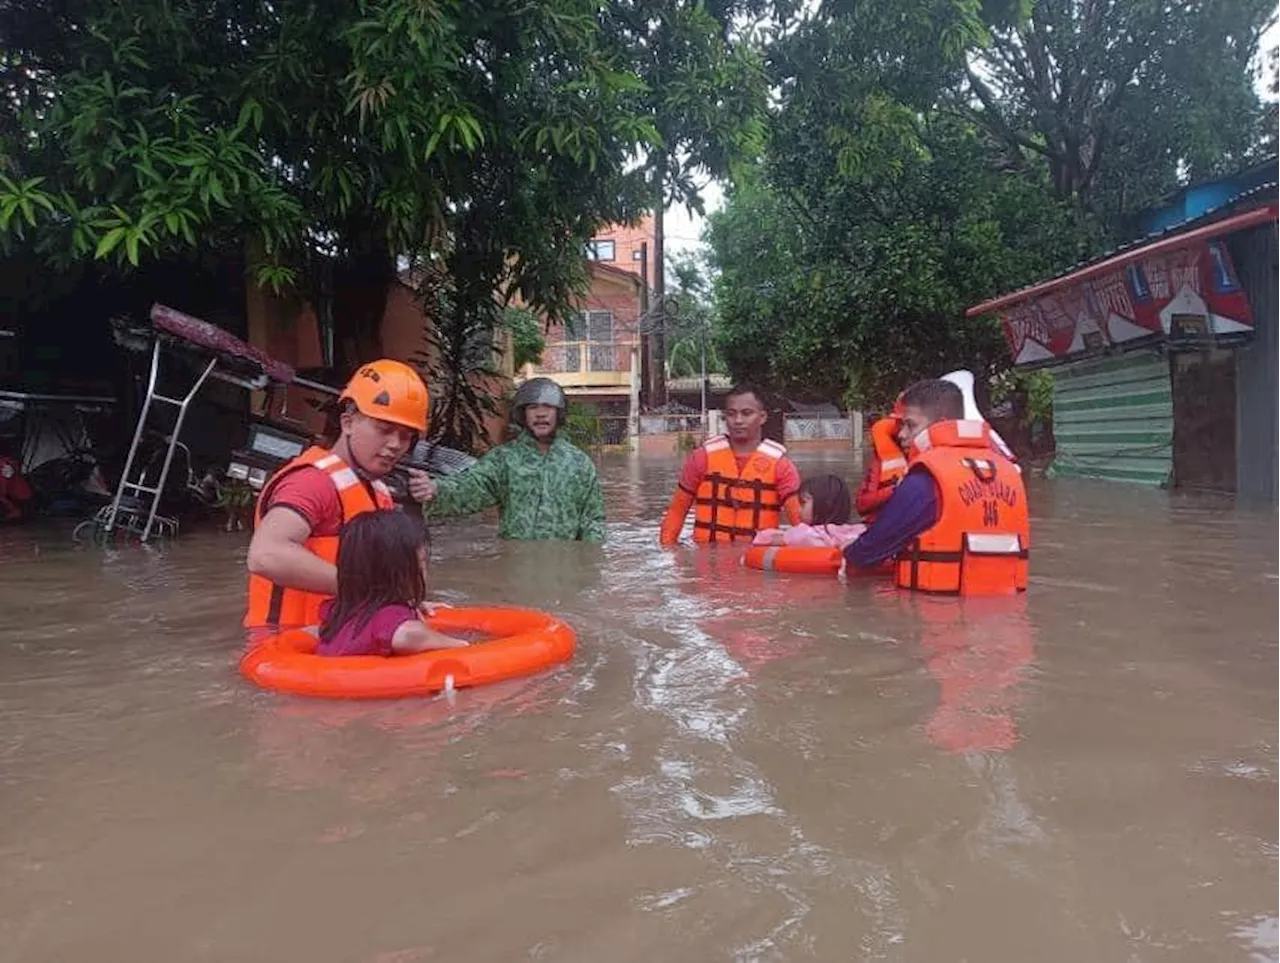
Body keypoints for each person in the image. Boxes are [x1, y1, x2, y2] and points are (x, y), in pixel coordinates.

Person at [244, 359, 433, 633]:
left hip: (337, 640)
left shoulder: (378, 490)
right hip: (286, 646)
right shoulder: (312, 483)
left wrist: (402, 602)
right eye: (383, 429)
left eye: (406, 436)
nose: (395, 445)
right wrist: (367, 590)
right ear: (347, 423)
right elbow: (265, 555)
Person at [843, 378, 1029, 595]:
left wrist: (846, 553)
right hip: (1004, 613)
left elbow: (866, 554)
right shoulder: (1008, 472)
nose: (902, 434)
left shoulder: (926, 479)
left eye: (910, 424)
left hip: (936, 616)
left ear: (940, 423)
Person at [415, 377, 606, 542]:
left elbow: (593, 520)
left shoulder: (580, 464)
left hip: (563, 567)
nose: (540, 413)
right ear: (523, 414)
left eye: (548, 407)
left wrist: (588, 567)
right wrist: (434, 489)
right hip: (517, 566)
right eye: (533, 407)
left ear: (559, 413)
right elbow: (470, 488)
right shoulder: (504, 459)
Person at [659, 383, 803, 546]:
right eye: (731, 414)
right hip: (706, 561)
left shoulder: (781, 467)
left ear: (762, 417)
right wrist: (668, 549)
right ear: (725, 417)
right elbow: (676, 512)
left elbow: (799, 523)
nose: (738, 420)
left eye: (746, 413)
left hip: (755, 561)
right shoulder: (701, 458)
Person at [316, 510, 469, 657]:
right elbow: (408, 636)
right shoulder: (388, 617)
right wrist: (461, 644)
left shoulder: (336, 611)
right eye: (422, 562)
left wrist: (412, 605)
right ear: (399, 572)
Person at [752, 474, 866, 548]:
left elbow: (762, 539)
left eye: (803, 503)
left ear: (824, 504)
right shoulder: (856, 531)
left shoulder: (804, 534)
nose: (799, 510)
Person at [854, 396, 907, 523]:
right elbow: (862, 504)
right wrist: (894, 489)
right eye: (901, 424)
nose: (903, 433)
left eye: (910, 425)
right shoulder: (881, 461)